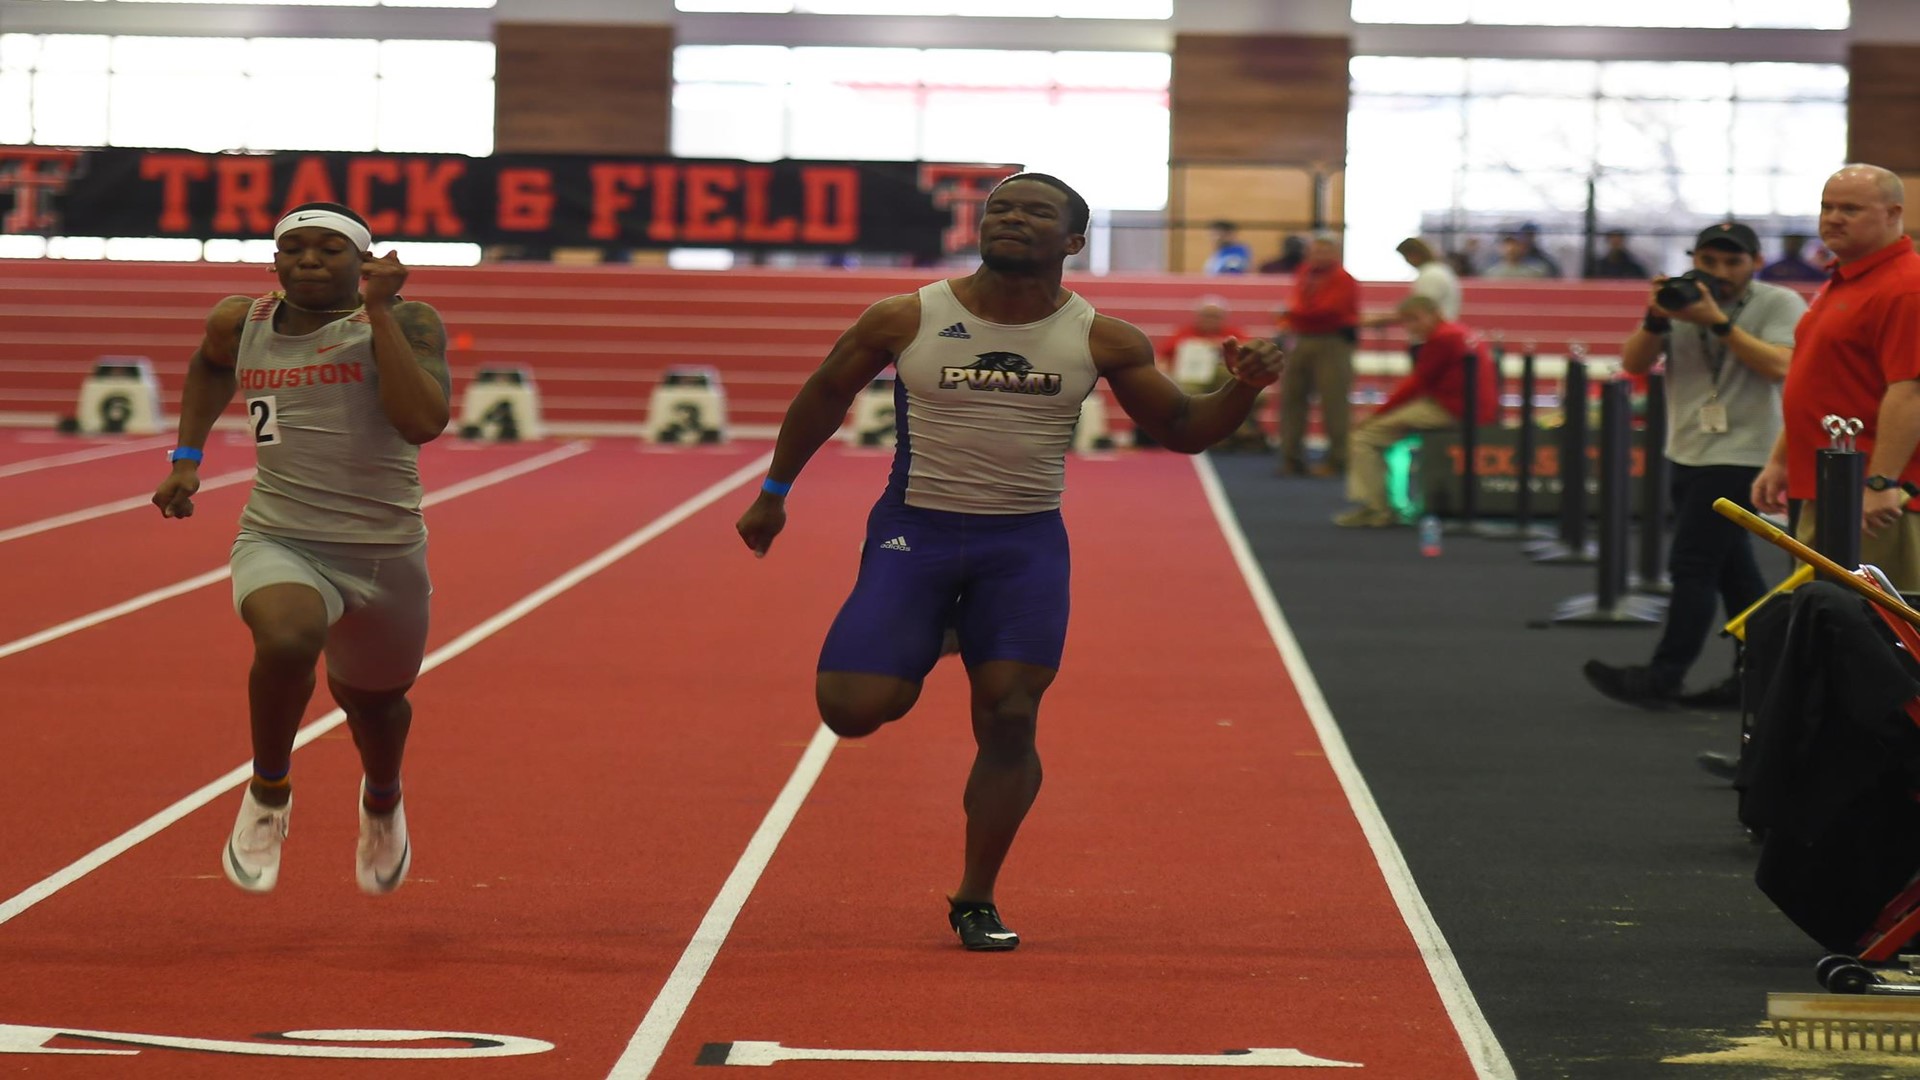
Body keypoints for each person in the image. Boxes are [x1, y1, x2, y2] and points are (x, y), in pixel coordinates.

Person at [733, 173, 1283, 951]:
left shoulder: (1103, 338)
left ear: (1071, 242)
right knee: (852, 710)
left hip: (1021, 545)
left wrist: (1243, 388)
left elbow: (1186, 430)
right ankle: (934, 633)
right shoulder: (906, 316)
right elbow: (823, 395)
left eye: (1036, 212)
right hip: (915, 532)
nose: (1014, 219)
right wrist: (774, 491)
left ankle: (975, 897)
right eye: (1002, 209)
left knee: (1011, 714)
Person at [151, 202, 452, 895]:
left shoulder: (408, 321)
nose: (309, 260)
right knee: (286, 642)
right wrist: (187, 456)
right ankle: (269, 790)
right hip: (279, 534)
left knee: (375, 705)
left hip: (384, 548)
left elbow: (423, 421)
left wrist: (378, 315)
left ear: (364, 262)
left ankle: (382, 800)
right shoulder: (242, 320)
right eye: (293, 249)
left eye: (328, 250)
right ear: (274, 260)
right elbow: (208, 365)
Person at [1583, 221, 1804, 710]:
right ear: (1693, 259)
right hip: (1686, 449)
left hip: (1745, 453)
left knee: (1692, 564)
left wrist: (1717, 323)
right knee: (1734, 573)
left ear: (1756, 263)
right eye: (1709, 261)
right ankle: (1759, 675)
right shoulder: (1679, 301)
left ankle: (1664, 675)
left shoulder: (1778, 303)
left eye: (1732, 262)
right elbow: (1634, 364)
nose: (1720, 272)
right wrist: (1656, 318)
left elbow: (1781, 366)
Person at [1755, 163, 1920, 591]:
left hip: (1873, 496)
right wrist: (1780, 460)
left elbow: (1911, 391)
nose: (1833, 218)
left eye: (1850, 208)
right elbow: (1819, 382)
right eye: (1827, 207)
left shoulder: (1906, 288)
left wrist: (1882, 481)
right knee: (1823, 622)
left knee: (1875, 634)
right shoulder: (1843, 282)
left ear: (1892, 214)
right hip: (1831, 484)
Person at [1333, 295, 1494, 527]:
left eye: (1415, 320)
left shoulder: (1443, 338)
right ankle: (1380, 504)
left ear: (1435, 314)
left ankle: (1376, 508)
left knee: (1364, 437)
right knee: (1379, 430)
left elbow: (1416, 384)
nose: (1411, 327)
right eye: (1406, 322)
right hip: (1464, 406)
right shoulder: (1459, 332)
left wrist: (1376, 414)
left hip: (1452, 409)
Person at [1274, 234, 1360, 477]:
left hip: (1332, 341)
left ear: (1335, 254)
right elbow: (1298, 305)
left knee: (1334, 402)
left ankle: (1338, 459)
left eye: (1325, 251)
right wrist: (1293, 314)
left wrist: (1292, 313)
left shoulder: (1344, 279)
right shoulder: (1304, 272)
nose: (1319, 256)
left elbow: (1328, 310)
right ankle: (1291, 457)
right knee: (1292, 398)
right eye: (1315, 251)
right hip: (1301, 339)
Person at [1757, 233, 1829, 284]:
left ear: (1801, 243)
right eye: (1789, 240)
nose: (1792, 244)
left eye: (1795, 241)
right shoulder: (1769, 269)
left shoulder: (1813, 272)